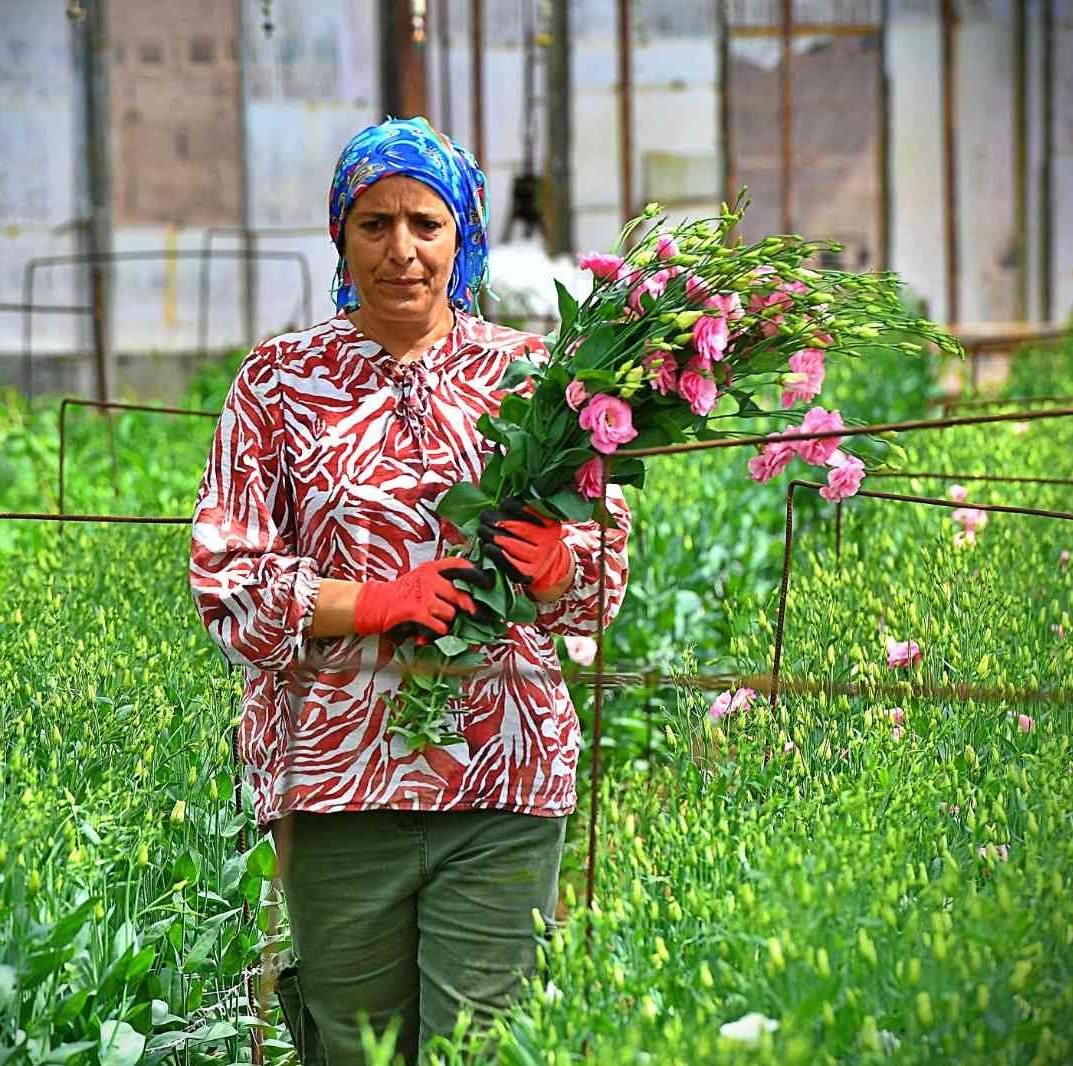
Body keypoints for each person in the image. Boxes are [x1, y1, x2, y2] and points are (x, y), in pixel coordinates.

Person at [188, 116, 632, 1064]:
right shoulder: (278, 384)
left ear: (462, 233)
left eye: (425, 224)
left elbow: (599, 588)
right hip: (339, 783)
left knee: (479, 1048)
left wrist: (559, 566)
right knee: (355, 1050)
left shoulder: (531, 378)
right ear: (340, 237)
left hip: (504, 771)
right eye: (374, 223)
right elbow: (225, 578)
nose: (401, 250)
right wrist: (372, 602)